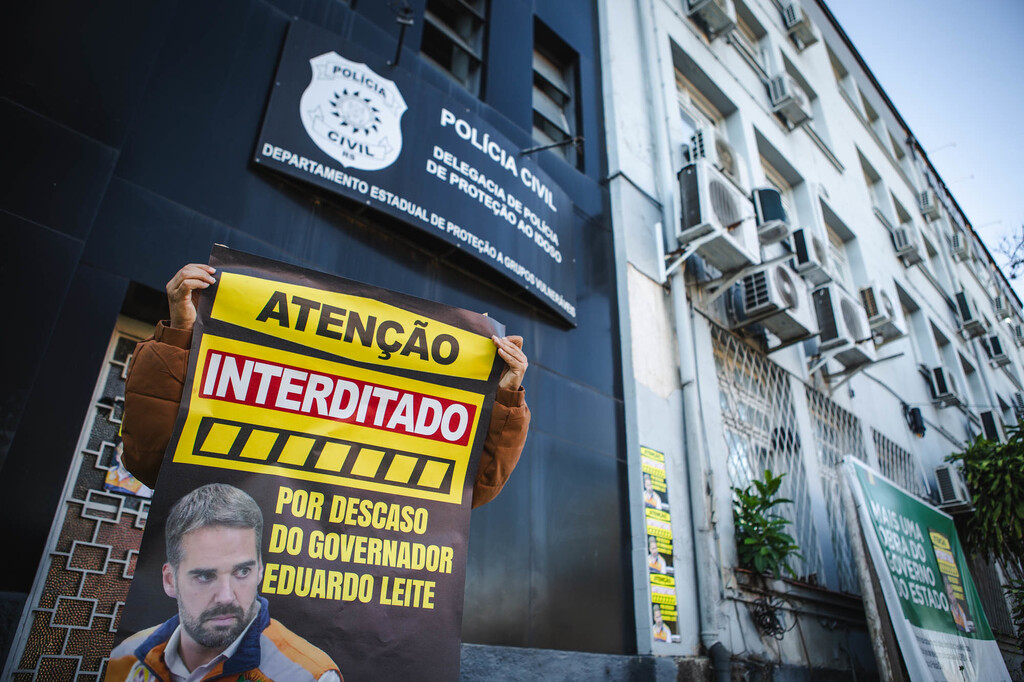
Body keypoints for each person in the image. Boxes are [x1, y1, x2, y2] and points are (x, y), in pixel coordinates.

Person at [121, 264, 531, 507]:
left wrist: (506, 397)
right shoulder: (238, 436)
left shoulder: (405, 459)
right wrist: (182, 333)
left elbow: (472, 489)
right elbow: (150, 459)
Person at [106, 483, 341, 681]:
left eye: (242, 572)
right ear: (170, 581)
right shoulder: (125, 657)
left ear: (259, 570)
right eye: (206, 576)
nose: (226, 596)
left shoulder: (308, 675)